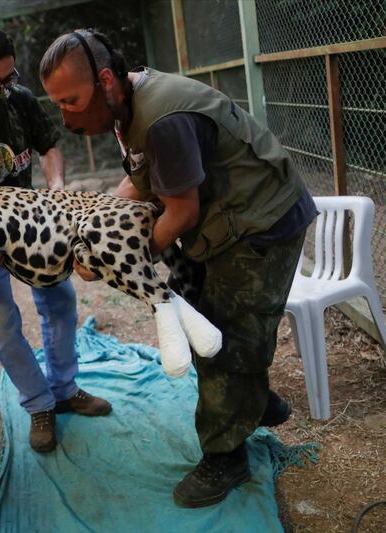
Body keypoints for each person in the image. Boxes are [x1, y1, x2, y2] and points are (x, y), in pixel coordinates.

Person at [39, 29, 316, 508]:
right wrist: (96, 225)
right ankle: (256, 400)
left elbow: (180, 213)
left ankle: (225, 455)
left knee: (225, 340)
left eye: (71, 101)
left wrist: (113, 257)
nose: (65, 117)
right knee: (204, 320)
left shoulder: (162, 116)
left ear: (105, 80)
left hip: (261, 224)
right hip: (228, 218)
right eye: (57, 105)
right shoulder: (130, 102)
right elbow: (141, 178)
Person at [0, 26, 112, 454]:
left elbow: (50, 147)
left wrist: (55, 190)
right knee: (1, 321)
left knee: (60, 301)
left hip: (34, 228)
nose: (0, 90)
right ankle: (39, 404)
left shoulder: (23, 100)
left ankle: (65, 389)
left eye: (7, 79)